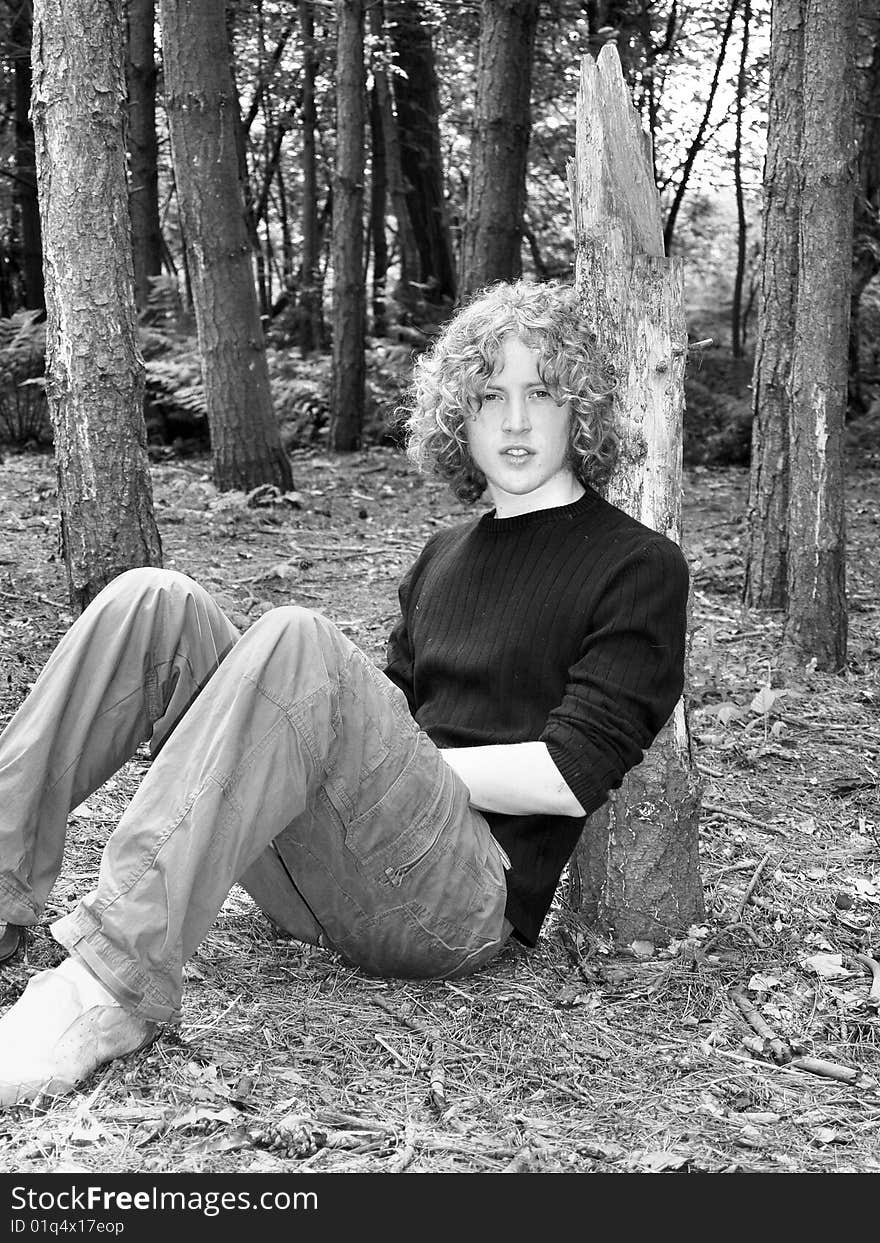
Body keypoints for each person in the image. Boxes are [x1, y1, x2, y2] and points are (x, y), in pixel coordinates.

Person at [0, 280, 689, 1107]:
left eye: (541, 391)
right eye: (489, 394)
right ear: (456, 415)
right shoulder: (443, 555)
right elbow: (385, 714)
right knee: (153, 601)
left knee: (300, 640)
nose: (514, 420)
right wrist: (369, 761)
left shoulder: (637, 564)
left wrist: (394, 767)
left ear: (582, 409)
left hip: (460, 899)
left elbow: (573, 773)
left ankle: (102, 992)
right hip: (338, 877)